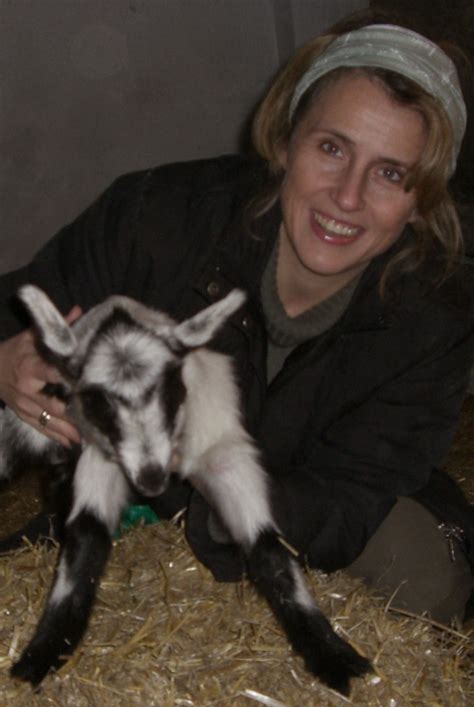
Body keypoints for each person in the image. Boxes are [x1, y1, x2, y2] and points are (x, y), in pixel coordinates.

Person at [0, 10, 473, 625]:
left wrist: (196, 472)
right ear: (284, 141)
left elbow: (350, 497)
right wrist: (6, 358)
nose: (348, 198)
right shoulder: (159, 219)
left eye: (391, 174)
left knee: (426, 576)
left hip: (288, 498)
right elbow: (18, 303)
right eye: (331, 148)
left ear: (421, 203)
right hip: (139, 483)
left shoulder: (434, 315)